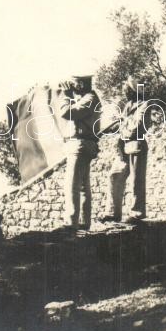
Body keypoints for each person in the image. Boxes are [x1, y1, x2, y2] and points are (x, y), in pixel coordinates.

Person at [103, 78, 151, 223]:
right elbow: (123, 125)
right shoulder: (128, 106)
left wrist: (123, 122)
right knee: (114, 175)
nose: (125, 92)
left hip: (136, 145)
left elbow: (140, 126)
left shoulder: (145, 105)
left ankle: (137, 213)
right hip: (123, 146)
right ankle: (113, 213)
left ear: (134, 91)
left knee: (137, 181)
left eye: (127, 90)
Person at [58, 74, 101, 230]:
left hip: (81, 144)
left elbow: (67, 113)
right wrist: (71, 96)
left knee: (72, 184)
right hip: (81, 143)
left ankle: (71, 223)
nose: (72, 86)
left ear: (81, 84)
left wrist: (66, 96)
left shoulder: (90, 99)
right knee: (82, 185)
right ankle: (83, 222)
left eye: (74, 83)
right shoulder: (86, 98)